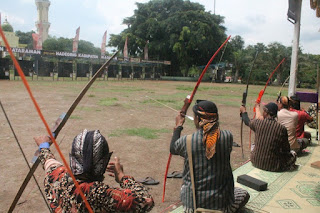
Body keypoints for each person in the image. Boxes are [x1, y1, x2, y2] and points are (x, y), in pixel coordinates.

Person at [34, 129, 154, 212]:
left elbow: (49, 162)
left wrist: (44, 146)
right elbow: (145, 201)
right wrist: (122, 177)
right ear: (103, 162)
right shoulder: (101, 194)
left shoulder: (58, 176)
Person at [171, 100, 250, 212]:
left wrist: (178, 126)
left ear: (198, 119)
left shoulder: (187, 141)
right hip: (221, 206)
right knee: (242, 193)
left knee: (185, 187)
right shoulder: (228, 136)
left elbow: (173, 148)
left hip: (193, 207)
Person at [240, 102, 297, 172]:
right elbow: (286, 149)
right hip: (273, 165)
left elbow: (247, 121)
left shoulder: (258, 123)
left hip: (255, 161)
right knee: (293, 155)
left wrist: (243, 111)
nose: (262, 112)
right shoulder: (281, 128)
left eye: (264, 110)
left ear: (266, 113)